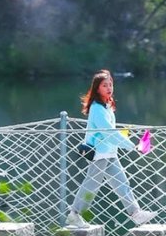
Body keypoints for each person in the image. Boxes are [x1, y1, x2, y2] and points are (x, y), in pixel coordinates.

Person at [66, 69, 156, 227]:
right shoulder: (97, 109)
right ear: (97, 89)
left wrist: (129, 144)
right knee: (91, 185)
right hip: (99, 153)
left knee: (122, 183)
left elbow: (111, 133)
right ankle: (74, 214)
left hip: (109, 152)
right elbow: (108, 133)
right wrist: (132, 146)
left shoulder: (106, 106)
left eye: (110, 85)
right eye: (104, 85)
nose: (109, 88)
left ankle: (136, 213)